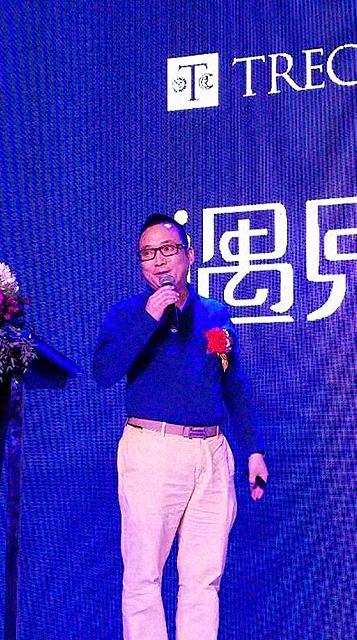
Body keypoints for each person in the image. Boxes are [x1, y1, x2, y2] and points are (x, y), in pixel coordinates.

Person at [93, 213, 269, 640]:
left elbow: (232, 383)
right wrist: (148, 319)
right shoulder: (127, 314)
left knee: (203, 580)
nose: (158, 261)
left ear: (189, 255)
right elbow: (104, 371)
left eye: (168, 249)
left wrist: (253, 450)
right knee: (144, 577)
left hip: (211, 452)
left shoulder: (214, 314)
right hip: (153, 449)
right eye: (147, 254)